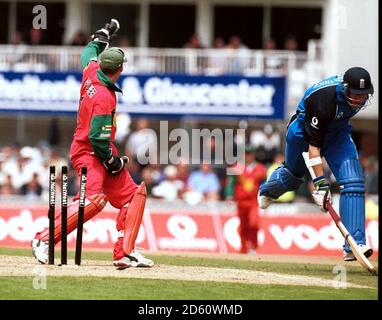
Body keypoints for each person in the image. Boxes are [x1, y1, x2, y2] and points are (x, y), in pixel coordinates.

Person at [31, 19, 153, 268]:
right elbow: (97, 138)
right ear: (119, 70)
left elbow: (89, 50)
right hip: (90, 152)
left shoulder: (91, 71)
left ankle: (124, 252)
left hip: (99, 150)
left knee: (134, 195)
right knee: (94, 200)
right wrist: (112, 161)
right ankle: (43, 240)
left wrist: (104, 33)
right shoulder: (104, 98)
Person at [257, 67, 374, 261]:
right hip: (304, 134)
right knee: (293, 177)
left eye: (364, 95)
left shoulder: (356, 98)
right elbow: (314, 148)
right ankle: (268, 190)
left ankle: (355, 243)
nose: (360, 100)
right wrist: (321, 184)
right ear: (345, 89)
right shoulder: (323, 100)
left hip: (337, 134)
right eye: (355, 95)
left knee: (354, 181)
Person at [225, 146, 266, 254]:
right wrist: (229, 195)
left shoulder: (260, 168)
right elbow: (230, 183)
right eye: (245, 154)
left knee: (253, 224)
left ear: (253, 155)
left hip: (253, 201)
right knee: (243, 226)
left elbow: (264, 183)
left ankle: (253, 246)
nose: (247, 156)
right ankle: (243, 248)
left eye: (249, 154)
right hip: (241, 201)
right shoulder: (237, 167)